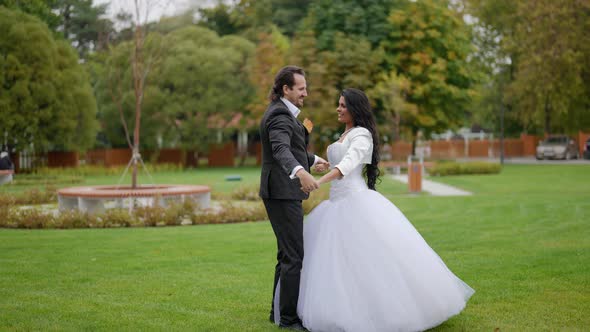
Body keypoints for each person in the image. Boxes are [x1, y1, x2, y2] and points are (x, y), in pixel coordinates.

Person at [296, 88, 475, 331]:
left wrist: (320, 181)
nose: (338, 109)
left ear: (355, 109)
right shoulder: (345, 133)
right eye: (338, 104)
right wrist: (325, 165)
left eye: (343, 105)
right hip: (335, 205)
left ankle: (384, 312)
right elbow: (340, 162)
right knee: (340, 263)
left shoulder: (362, 135)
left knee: (370, 259)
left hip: (355, 202)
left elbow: (349, 165)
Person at [259, 65, 328, 330]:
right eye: (301, 89)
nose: (305, 93)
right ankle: (288, 319)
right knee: (293, 256)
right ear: (286, 89)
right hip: (281, 192)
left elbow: (293, 148)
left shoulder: (285, 113)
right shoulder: (278, 114)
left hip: (282, 191)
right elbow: (280, 150)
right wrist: (300, 172)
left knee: (286, 254)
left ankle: (277, 312)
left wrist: (312, 160)